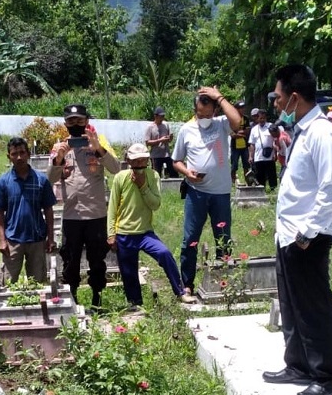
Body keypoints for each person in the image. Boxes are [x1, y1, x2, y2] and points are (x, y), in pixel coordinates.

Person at [263, 64, 332, 395]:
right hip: (291, 235)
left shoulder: (322, 133)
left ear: (294, 97)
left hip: (307, 236)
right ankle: (297, 364)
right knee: (292, 304)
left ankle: (325, 376)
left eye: (278, 96)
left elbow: (331, 188)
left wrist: (306, 233)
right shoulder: (301, 130)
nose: (276, 102)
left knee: (314, 307)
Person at [47, 104, 120, 309]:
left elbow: (115, 168)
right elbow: (49, 179)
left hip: (95, 215)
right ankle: (73, 297)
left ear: (87, 121)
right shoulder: (59, 147)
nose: (76, 124)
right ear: (65, 124)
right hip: (72, 217)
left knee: (97, 259)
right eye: (71, 121)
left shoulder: (98, 143)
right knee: (70, 260)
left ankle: (97, 297)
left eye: (80, 120)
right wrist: (59, 159)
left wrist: (98, 148)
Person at [171, 86, 243, 294]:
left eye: (209, 113)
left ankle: (224, 284)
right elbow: (176, 160)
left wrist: (219, 97)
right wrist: (187, 172)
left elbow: (238, 122)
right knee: (190, 239)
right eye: (201, 114)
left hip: (221, 192)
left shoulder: (221, 124)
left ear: (215, 111)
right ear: (195, 111)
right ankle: (187, 284)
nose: (205, 117)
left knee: (223, 238)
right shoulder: (187, 129)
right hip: (196, 192)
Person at [107, 143, 187, 309]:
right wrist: (111, 234)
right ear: (128, 160)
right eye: (135, 161)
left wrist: (143, 185)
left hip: (145, 233)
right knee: (129, 272)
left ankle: (181, 292)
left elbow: (155, 204)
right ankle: (135, 303)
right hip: (124, 233)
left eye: (143, 160)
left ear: (148, 160)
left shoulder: (153, 176)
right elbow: (112, 207)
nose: (139, 164)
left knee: (164, 253)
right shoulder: (121, 177)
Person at [0, 137, 56, 283]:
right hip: (12, 241)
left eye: (22, 152)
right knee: (8, 283)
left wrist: (51, 238)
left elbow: (48, 210)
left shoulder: (41, 180)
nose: (19, 157)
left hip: (37, 239)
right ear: (9, 157)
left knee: (38, 283)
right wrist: (2, 240)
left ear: (28, 154)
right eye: (14, 154)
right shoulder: (3, 182)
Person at [248, 108, 278, 191]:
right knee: (260, 175)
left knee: (271, 174)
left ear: (266, 118)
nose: (262, 120)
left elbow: (275, 141)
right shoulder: (254, 129)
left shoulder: (271, 126)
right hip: (258, 157)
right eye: (260, 118)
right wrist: (251, 156)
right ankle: (261, 190)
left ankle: (273, 189)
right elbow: (252, 144)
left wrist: (275, 154)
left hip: (270, 156)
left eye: (263, 118)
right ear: (257, 118)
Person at [144, 107, 173, 178]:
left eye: (163, 116)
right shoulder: (150, 127)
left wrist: (170, 137)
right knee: (156, 176)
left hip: (166, 154)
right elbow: (147, 142)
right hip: (156, 156)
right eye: (161, 116)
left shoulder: (166, 125)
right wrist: (160, 140)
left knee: (173, 173)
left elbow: (170, 140)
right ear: (155, 116)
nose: (162, 118)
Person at [229, 101, 250, 185]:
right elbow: (232, 134)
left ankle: (247, 180)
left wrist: (238, 133)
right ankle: (232, 181)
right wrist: (239, 134)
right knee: (234, 165)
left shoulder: (246, 118)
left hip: (244, 145)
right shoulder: (232, 119)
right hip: (235, 146)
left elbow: (248, 131)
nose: (243, 109)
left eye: (243, 108)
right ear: (236, 109)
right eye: (241, 108)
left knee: (246, 164)